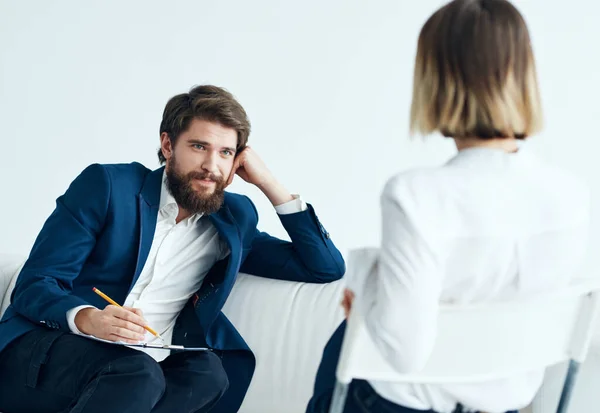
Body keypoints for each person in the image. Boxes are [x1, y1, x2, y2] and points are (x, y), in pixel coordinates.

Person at [306, 0, 590, 412]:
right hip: (507, 405)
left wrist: (365, 289)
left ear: (436, 81)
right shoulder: (570, 195)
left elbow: (404, 352)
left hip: (403, 403)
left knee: (347, 342)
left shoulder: (415, 196)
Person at [0, 84, 345, 413]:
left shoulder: (233, 220)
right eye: (199, 147)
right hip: (47, 355)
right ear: (167, 145)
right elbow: (36, 283)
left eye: (225, 152)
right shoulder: (108, 187)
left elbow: (324, 266)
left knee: (207, 374)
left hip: (143, 367)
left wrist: (270, 184)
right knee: (139, 373)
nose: (212, 166)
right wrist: (90, 319)